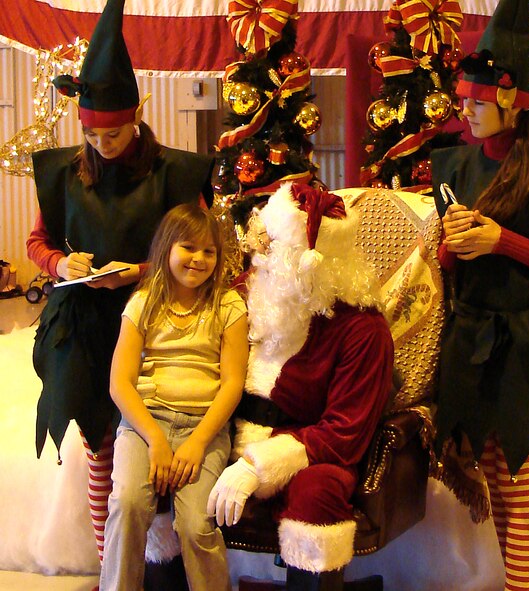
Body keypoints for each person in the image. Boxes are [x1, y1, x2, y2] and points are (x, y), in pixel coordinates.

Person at [26, 0, 214, 566]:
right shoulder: (63, 173)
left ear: (136, 119)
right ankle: (113, 563)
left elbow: (201, 251)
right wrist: (62, 266)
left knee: (153, 441)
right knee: (98, 442)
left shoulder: (174, 173)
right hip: (84, 324)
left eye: (112, 134)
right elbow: (39, 246)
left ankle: (161, 561)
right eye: (92, 135)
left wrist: (138, 273)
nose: (101, 146)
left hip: (156, 323)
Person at [431, 0, 529, 589]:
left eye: (475, 100)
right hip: (468, 344)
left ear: (507, 100)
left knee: (519, 479)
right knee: (494, 474)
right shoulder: (453, 163)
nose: (465, 110)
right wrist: (451, 245)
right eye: (463, 98)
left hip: (524, 350)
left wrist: (503, 242)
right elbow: (448, 263)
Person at [207, 182, 395, 590]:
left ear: (310, 263)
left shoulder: (363, 330)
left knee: (318, 491)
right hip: (226, 433)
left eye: (272, 247)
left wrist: (257, 466)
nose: (258, 255)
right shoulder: (246, 295)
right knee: (171, 469)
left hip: (307, 453)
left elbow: (344, 433)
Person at [99, 203, 248, 591]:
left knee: (198, 524)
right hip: (145, 425)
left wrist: (197, 443)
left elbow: (233, 383)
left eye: (209, 251)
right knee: (127, 506)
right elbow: (120, 383)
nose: (198, 259)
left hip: (204, 428)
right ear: (166, 249)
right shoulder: (144, 301)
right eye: (188, 248)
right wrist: (156, 440)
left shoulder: (228, 305)